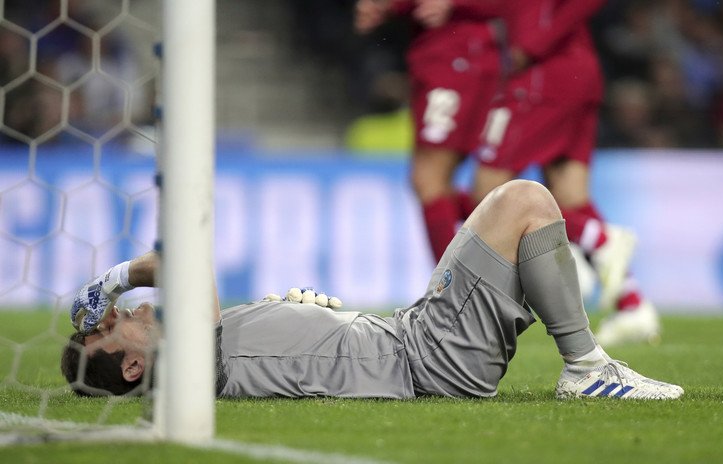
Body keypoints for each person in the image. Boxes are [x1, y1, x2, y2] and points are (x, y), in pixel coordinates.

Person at [62, 180, 683, 400]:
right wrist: (114, 277)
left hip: (412, 336)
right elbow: (187, 260)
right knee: (522, 201)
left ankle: (586, 291)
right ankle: (586, 368)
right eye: (108, 328)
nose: (119, 312)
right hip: (427, 356)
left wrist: (296, 318)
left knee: (519, 213)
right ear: (135, 363)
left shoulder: (208, 353)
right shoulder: (197, 366)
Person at [466, 0, 661, 346]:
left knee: (487, 193)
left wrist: (532, 42)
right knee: (571, 196)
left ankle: (600, 239)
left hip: (544, 71)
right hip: (574, 67)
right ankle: (631, 305)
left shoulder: (537, 44)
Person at [354, 0, 505, 261]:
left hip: (455, 58)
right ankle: (527, 235)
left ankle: (454, 287)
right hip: (445, 58)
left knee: (429, 178)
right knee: (435, 183)